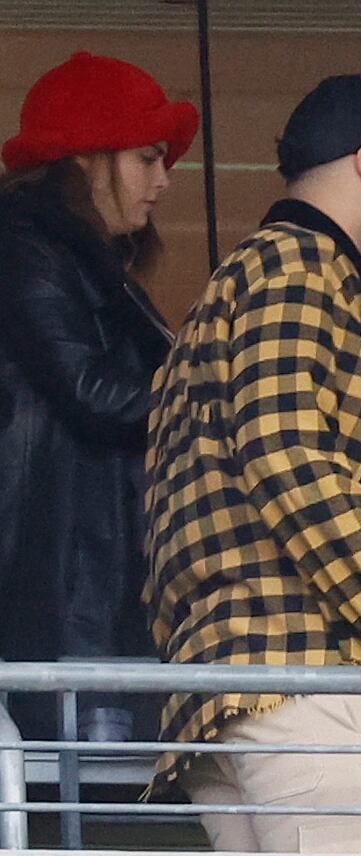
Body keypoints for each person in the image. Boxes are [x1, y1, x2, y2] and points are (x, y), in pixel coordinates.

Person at [141, 74, 361, 852]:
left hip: (244, 686)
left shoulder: (245, 283)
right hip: (318, 684)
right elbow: (289, 456)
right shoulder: (298, 268)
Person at [0, 52, 196, 740]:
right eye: (148, 156)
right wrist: (223, 396)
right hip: (60, 595)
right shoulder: (22, 244)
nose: (164, 180)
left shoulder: (80, 263)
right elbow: (95, 393)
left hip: (90, 593)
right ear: (87, 158)